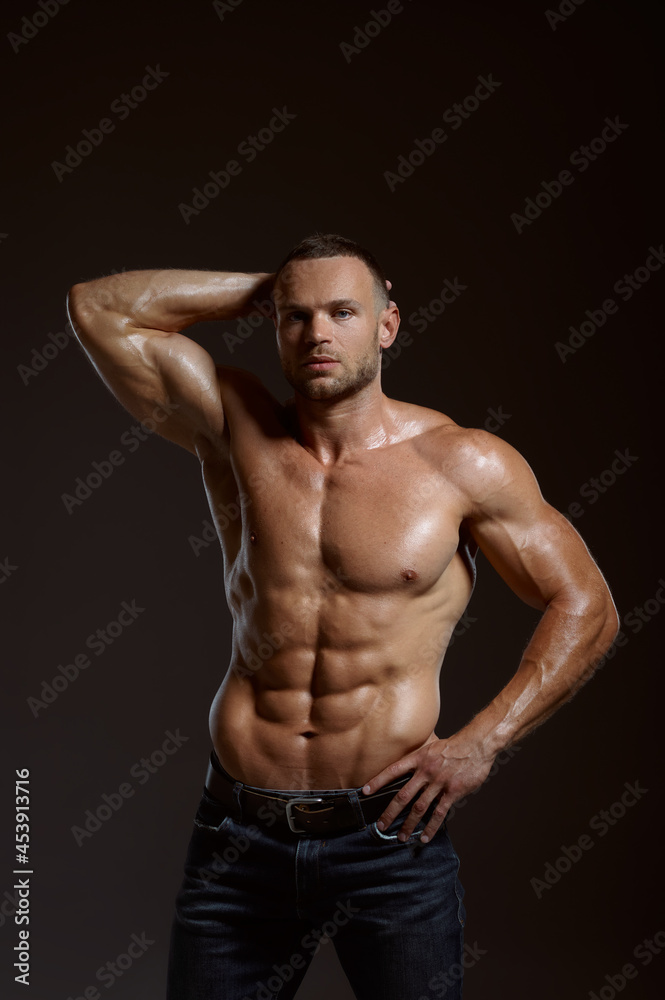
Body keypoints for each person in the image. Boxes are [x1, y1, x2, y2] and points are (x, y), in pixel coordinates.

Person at [66, 233, 619, 1000]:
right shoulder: (234, 428)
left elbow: (586, 603)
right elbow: (99, 306)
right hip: (236, 838)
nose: (318, 333)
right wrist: (269, 286)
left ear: (386, 325)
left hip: (388, 840)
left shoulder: (461, 463)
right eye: (296, 316)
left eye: (343, 312)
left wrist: (483, 741)